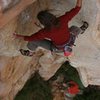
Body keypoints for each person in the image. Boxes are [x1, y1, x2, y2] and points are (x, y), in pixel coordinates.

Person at [14, 0, 88, 56]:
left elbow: (30, 38)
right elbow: (77, 8)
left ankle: (30, 52)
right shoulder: (63, 20)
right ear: (51, 15)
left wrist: (17, 36)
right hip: (69, 42)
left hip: (57, 48)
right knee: (74, 28)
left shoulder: (44, 32)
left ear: (43, 23)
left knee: (33, 41)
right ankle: (82, 29)